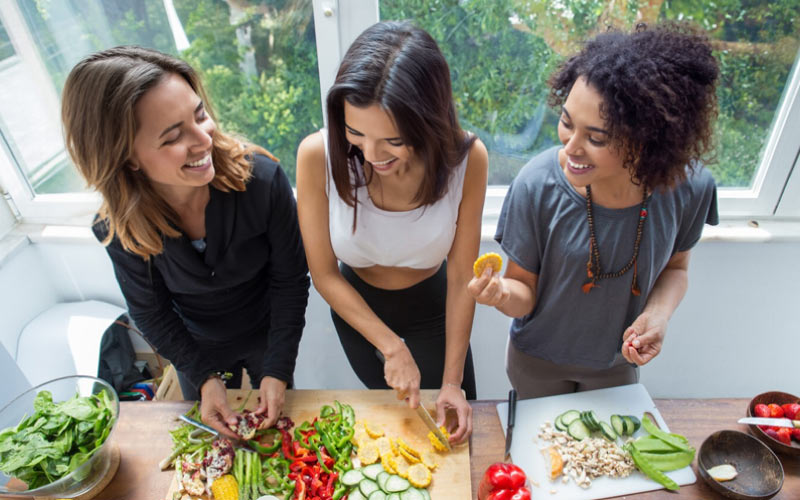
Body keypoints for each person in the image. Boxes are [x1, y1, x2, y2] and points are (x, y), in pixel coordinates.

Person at [62, 46, 310, 437]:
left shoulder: (263, 181)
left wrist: (278, 368)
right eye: (173, 136)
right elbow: (152, 312)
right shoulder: (120, 227)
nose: (203, 141)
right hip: (195, 344)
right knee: (212, 436)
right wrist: (204, 377)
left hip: (268, 329)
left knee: (278, 424)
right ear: (127, 158)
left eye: (200, 116)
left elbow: (290, 280)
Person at [468, 22, 719, 398]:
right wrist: (500, 293)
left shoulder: (689, 188)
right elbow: (524, 290)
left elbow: (676, 269)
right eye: (567, 122)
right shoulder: (535, 184)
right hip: (536, 360)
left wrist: (658, 315)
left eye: (596, 137)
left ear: (647, 138)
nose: (571, 148)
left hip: (617, 365)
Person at [296, 21, 488, 443]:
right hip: (359, 313)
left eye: (393, 140)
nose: (371, 154)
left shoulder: (466, 160)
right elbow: (324, 274)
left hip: (436, 308)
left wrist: (453, 382)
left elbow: (460, 278)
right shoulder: (317, 155)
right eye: (355, 133)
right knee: (399, 434)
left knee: (453, 430)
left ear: (428, 122)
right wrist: (391, 346)